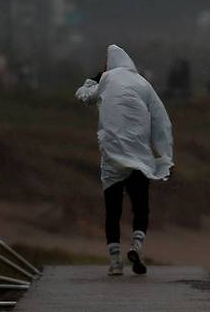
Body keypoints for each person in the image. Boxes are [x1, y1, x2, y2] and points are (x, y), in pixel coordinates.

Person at [75, 44, 174, 276]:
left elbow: (83, 97)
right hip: (139, 156)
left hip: (111, 157)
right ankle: (137, 246)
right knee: (141, 207)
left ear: (109, 64)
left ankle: (115, 261)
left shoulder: (107, 79)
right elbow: (161, 121)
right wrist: (164, 155)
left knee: (113, 211)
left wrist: (93, 80)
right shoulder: (144, 85)